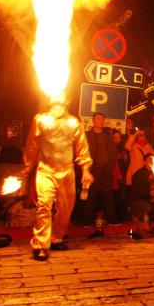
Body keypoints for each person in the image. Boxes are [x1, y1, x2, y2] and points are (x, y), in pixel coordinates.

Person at [23, 103, 93, 261]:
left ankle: (56, 237)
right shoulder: (40, 120)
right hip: (45, 169)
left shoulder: (73, 122)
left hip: (67, 171)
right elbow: (32, 145)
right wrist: (27, 169)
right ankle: (40, 245)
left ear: (66, 102)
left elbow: (82, 147)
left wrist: (86, 169)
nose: (57, 105)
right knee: (44, 205)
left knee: (66, 208)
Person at [83, 113, 117, 224]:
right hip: (92, 169)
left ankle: (112, 219)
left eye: (102, 119)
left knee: (108, 195)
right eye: (98, 119)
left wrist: (110, 166)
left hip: (106, 168)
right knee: (90, 195)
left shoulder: (108, 136)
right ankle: (87, 221)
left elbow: (113, 152)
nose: (100, 121)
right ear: (93, 121)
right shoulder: (87, 135)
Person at [124, 129, 154, 216]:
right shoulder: (133, 145)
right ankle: (133, 214)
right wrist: (135, 134)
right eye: (140, 135)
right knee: (133, 195)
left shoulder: (148, 146)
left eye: (143, 135)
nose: (141, 137)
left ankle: (144, 214)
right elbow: (127, 146)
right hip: (134, 174)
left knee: (145, 194)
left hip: (146, 175)